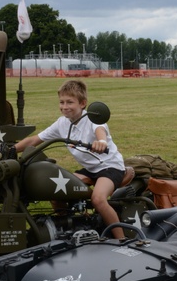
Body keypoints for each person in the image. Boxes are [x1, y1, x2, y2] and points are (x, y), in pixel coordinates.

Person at [14, 79, 127, 238]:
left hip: (109, 167)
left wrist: (101, 142)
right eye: (61, 102)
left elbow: (100, 130)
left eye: (70, 102)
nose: (64, 107)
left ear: (83, 103)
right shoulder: (62, 123)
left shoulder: (92, 119)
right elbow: (34, 140)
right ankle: (63, 232)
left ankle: (121, 239)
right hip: (90, 169)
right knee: (55, 189)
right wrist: (10, 148)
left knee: (98, 199)